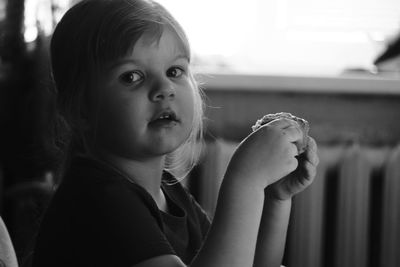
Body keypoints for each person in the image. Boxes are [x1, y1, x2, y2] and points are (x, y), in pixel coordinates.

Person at [32, 0, 319, 266]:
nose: (164, 89)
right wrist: (245, 181)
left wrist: (273, 198)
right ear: (80, 109)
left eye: (174, 71)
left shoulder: (167, 191)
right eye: (132, 76)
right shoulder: (97, 201)